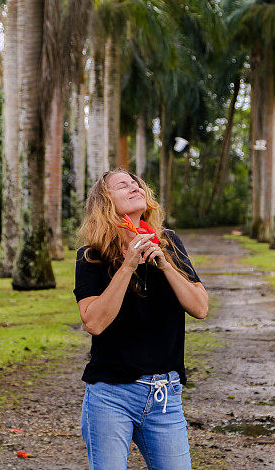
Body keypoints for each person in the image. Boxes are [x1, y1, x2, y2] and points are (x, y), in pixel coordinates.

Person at [73, 167, 208, 470]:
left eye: (135, 183)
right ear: (105, 203)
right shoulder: (91, 256)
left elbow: (200, 307)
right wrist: (128, 265)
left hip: (164, 395)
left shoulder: (169, 243)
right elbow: (94, 322)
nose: (134, 187)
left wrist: (165, 266)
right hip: (110, 396)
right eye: (122, 186)